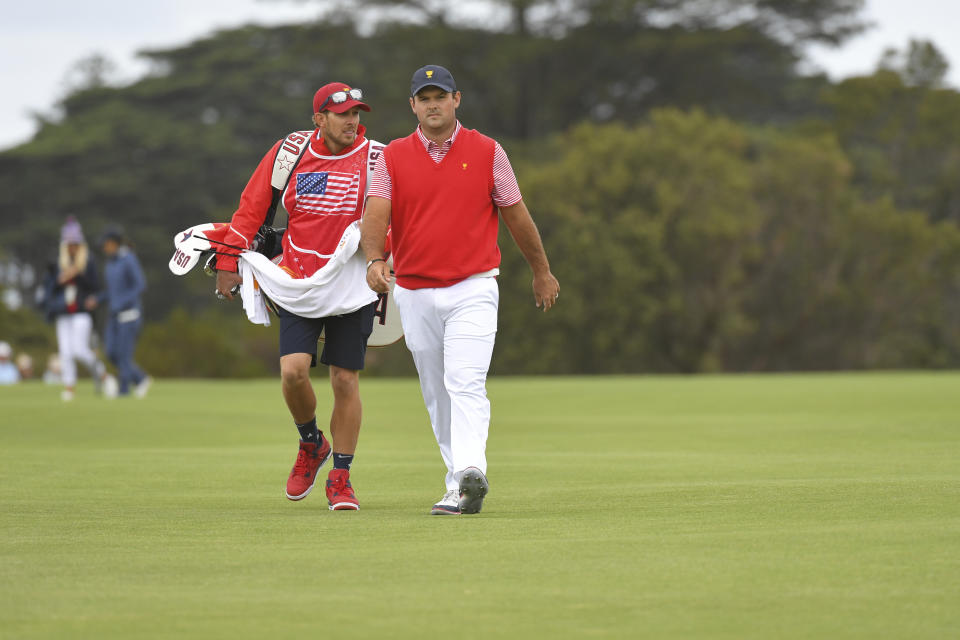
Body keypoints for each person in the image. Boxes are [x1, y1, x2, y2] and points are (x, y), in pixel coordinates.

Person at [361, 65, 560, 515]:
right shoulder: (390, 156)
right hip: (413, 291)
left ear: (457, 100)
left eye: (441, 96)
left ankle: (468, 475)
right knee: (437, 391)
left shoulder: (488, 151)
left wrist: (541, 270)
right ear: (413, 105)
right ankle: (458, 482)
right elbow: (376, 214)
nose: (433, 104)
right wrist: (375, 259)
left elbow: (516, 214)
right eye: (424, 98)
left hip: (473, 286)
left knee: (464, 382)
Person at [215, 82, 383, 510]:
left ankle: (341, 477)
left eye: (356, 113)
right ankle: (312, 443)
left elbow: (395, 217)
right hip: (297, 281)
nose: (352, 121)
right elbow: (251, 208)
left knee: (345, 379)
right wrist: (227, 261)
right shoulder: (288, 153)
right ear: (319, 119)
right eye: (342, 113)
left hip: (352, 285)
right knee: (293, 372)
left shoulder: (378, 158)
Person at [42, 217, 113, 401]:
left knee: (79, 350)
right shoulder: (58, 263)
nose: (72, 248)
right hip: (63, 311)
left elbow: (95, 287)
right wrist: (60, 280)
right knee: (65, 352)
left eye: (75, 244)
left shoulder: (88, 262)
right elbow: (50, 288)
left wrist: (77, 276)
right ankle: (69, 387)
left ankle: (104, 376)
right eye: (69, 244)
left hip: (81, 311)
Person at [98, 227, 151, 398]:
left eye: (106, 245)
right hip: (114, 314)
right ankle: (140, 378)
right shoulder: (110, 263)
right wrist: (98, 299)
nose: (104, 248)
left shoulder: (128, 259)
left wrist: (121, 301)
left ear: (114, 243)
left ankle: (124, 390)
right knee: (111, 352)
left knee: (124, 355)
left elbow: (140, 285)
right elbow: (113, 290)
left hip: (129, 314)